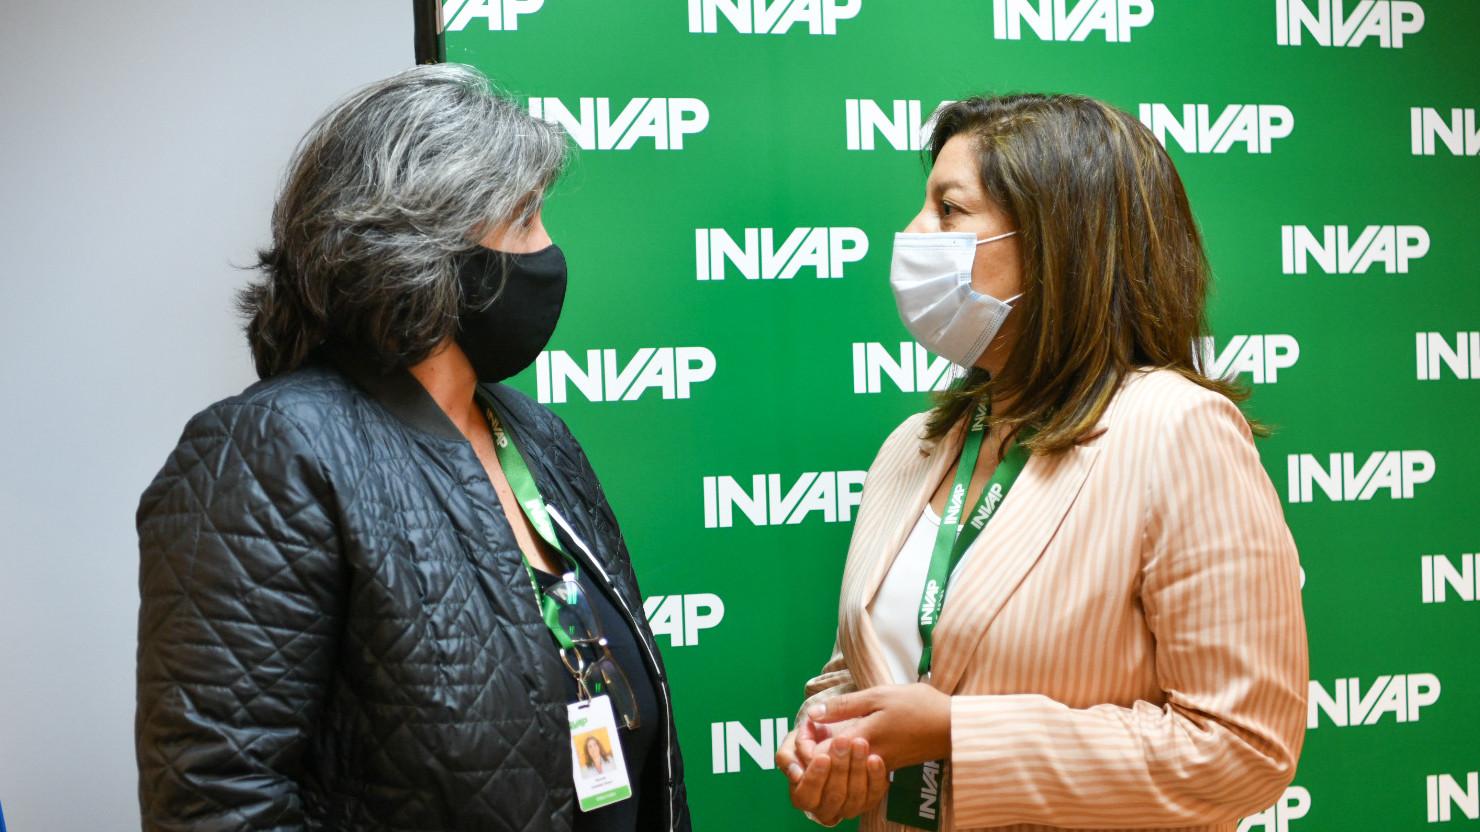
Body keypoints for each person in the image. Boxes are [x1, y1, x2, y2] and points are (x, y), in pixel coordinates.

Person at [135, 64, 690, 832]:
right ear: (428, 249)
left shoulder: (537, 436)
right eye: (525, 220)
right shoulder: (271, 452)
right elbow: (217, 799)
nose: (548, 250)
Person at [776, 93, 1308, 830]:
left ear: (1059, 241)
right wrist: (831, 738)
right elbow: (865, 665)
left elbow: (1242, 750)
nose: (913, 232)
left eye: (949, 210)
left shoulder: (1176, 429)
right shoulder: (915, 444)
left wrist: (960, 734)